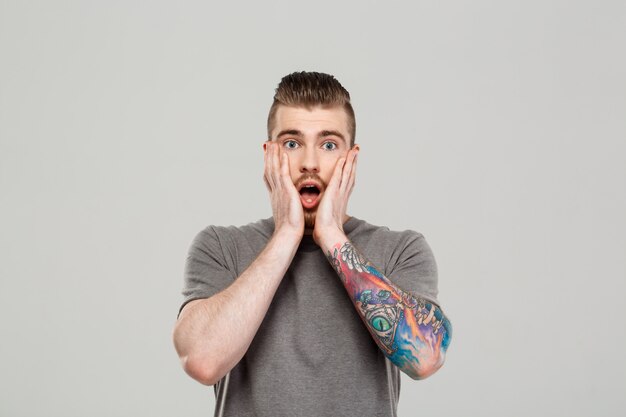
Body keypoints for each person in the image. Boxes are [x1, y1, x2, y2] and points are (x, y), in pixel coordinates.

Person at [172, 71, 452, 417]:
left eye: (329, 144)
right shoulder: (221, 247)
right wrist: (287, 233)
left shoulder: (400, 251)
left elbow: (425, 357)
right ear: (269, 155)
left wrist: (332, 236)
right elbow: (201, 360)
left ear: (351, 159)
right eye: (291, 143)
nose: (309, 163)